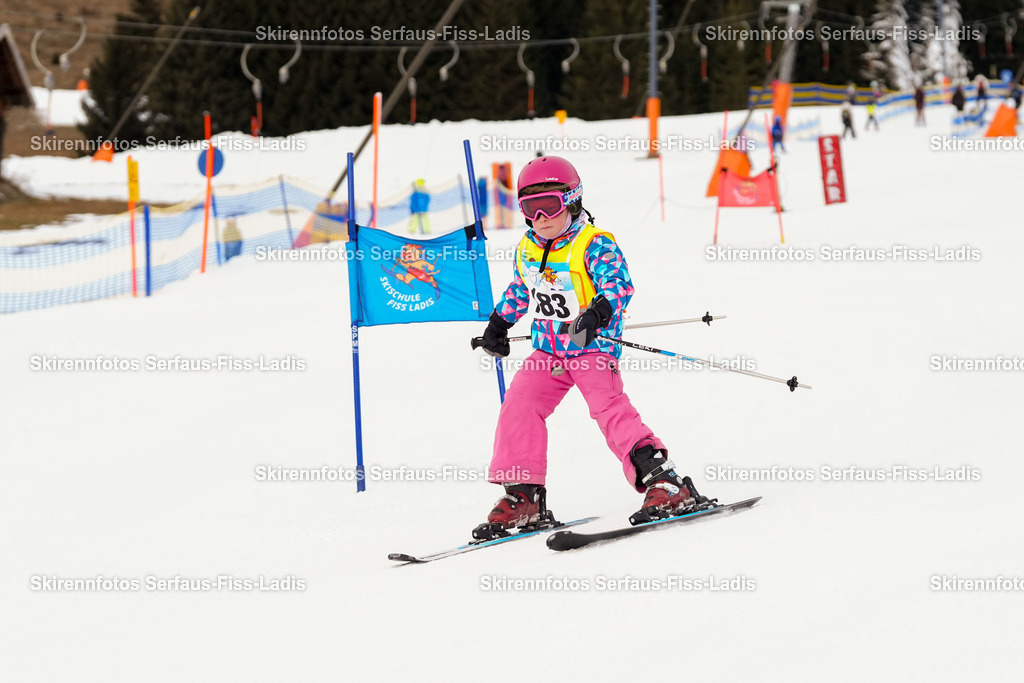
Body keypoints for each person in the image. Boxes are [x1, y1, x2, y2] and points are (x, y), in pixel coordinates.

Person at [474, 156, 702, 532]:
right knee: (519, 404)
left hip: (590, 347)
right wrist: (498, 324)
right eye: (530, 208)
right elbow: (520, 289)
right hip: (549, 351)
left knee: (608, 408)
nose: (541, 217)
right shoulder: (527, 247)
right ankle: (524, 495)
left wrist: (596, 313)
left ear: (573, 200)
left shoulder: (593, 242)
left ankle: (666, 482)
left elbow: (619, 284)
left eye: (550, 205)